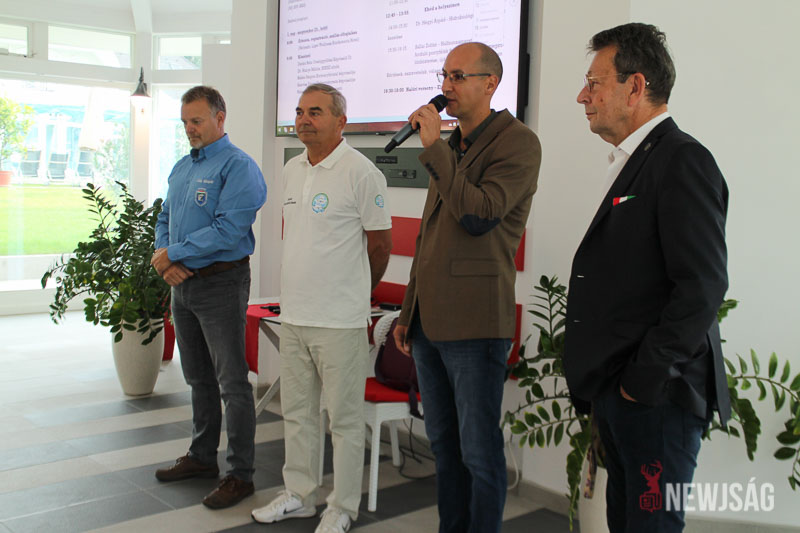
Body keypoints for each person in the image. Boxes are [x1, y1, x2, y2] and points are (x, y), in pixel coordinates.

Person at [563, 23, 730, 532]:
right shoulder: (638, 160)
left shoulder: (682, 160)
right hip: (623, 394)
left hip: (657, 400)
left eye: (594, 83)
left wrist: (642, 381)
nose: (582, 96)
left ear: (635, 87)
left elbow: (701, 286)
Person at [392, 42, 541, 533]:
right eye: (444, 75)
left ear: (490, 83)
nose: (446, 86)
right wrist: (408, 312)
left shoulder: (517, 143)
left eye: (458, 76)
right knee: (444, 446)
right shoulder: (453, 145)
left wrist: (435, 149)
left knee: (478, 451)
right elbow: (429, 237)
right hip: (429, 323)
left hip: (475, 323)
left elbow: (479, 215)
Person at [250, 83, 392, 533]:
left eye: (315, 112)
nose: (303, 119)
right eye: (299, 111)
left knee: (344, 420)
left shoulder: (362, 172)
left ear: (341, 121)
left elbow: (380, 246)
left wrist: (353, 292)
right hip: (294, 316)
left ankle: (342, 506)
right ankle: (300, 495)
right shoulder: (292, 169)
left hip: (339, 321)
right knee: (297, 413)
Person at [151, 85, 266, 509]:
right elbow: (165, 217)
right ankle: (202, 457)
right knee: (197, 377)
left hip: (221, 283)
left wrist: (173, 255)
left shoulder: (239, 167)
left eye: (197, 121)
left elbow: (228, 230)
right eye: (185, 122)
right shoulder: (183, 166)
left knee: (232, 382)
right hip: (183, 285)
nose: (189, 129)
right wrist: (164, 257)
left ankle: (241, 474)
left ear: (220, 118)